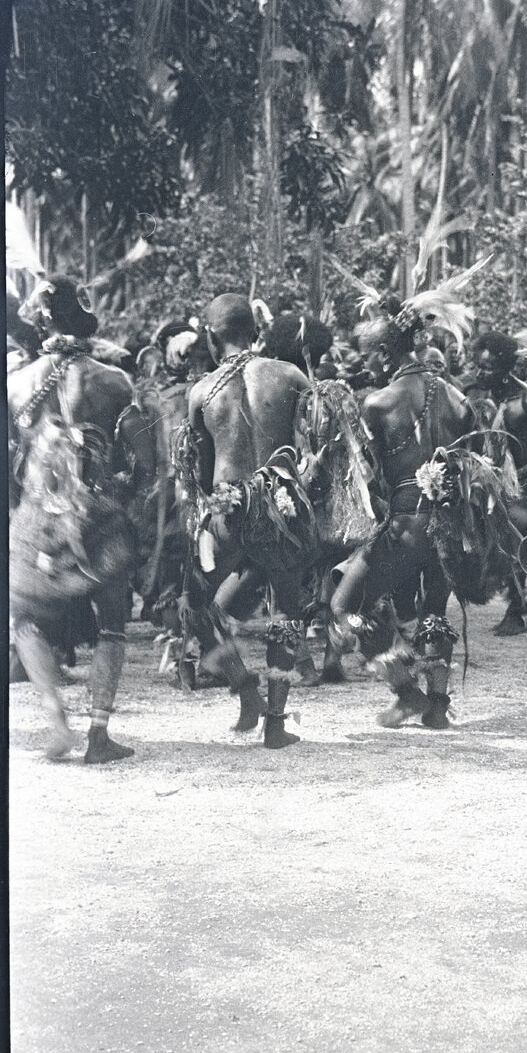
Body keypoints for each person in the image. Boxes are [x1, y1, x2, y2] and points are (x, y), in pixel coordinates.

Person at [331, 303, 519, 729]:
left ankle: (406, 693)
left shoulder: (379, 402)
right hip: (451, 525)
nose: (366, 364)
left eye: (367, 355)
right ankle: (437, 707)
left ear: (383, 353)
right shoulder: (456, 396)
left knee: (344, 604)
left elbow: (366, 476)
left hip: (406, 524)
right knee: (434, 609)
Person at [9, 275, 156, 762]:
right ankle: (98, 735)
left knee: (25, 619)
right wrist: (123, 496)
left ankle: (56, 718)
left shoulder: (17, 386)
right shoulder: (113, 381)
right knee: (112, 623)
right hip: (100, 517)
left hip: (38, 520)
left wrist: (31, 503)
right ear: (87, 320)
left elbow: (6, 466)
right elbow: (146, 461)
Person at [176, 293, 318, 747]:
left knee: (194, 604)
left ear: (212, 337)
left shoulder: (201, 391)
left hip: (228, 507)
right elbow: (319, 442)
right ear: (256, 331)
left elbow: (198, 476)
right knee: (287, 610)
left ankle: (244, 688)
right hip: (283, 505)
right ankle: (275, 723)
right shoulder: (290, 374)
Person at [467, 330, 527, 636]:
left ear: (505, 368)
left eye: (488, 368)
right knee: (496, 538)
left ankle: (517, 609)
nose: (481, 373)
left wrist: (520, 479)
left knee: (514, 535)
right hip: (496, 480)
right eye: (479, 367)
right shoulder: (477, 397)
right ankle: (512, 601)